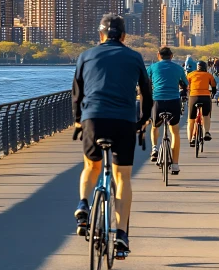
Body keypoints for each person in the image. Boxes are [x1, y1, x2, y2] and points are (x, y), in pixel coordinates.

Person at [72, 14, 152, 253]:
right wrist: (143, 120)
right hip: (123, 121)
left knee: (91, 166)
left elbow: (77, 92)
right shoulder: (135, 56)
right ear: (124, 36)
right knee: (122, 178)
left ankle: (83, 204)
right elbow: (146, 93)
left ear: (101, 35)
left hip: (93, 118)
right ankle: (121, 234)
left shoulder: (86, 56)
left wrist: (78, 121)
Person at [146, 46, 188, 174]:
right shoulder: (178, 68)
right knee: (174, 131)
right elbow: (185, 83)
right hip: (173, 102)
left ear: (158, 55)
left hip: (157, 101)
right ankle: (175, 164)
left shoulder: (152, 67)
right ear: (172, 56)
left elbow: (145, 82)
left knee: (154, 126)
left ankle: (154, 148)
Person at [187, 61, 217, 146]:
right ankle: (207, 132)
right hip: (205, 97)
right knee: (206, 115)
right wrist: (213, 93)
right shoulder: (208, 75)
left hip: (194, 97)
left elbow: (185, 85)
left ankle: (191, 139)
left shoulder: (190, 75)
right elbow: (214, 85)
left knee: (191, 119)